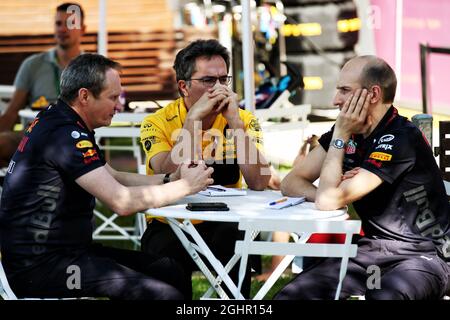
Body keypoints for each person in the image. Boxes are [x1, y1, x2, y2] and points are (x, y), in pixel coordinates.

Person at [0, 53, 215, 300]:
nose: (119, 105)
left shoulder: (62, 118)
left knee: (169, 270)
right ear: (84, 96)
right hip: (42, 269)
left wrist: (171, 178)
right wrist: (185, 186)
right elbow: (121, 202)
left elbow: (112, 176)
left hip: (65, 255)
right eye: (113, 97)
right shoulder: (65, 134)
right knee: (164, 296)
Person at [276, 55, 450, 300]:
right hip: (373, 252)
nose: (335, 100)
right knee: (294, 295)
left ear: (373, 94)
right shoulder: (349, 133)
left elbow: (327, 200)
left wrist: (333, 191)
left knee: (383, 295)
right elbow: (291, 182)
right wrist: (335, 192)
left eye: (345, 90)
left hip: (423, 256)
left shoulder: (399, 138)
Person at [139, 39, 271, 298]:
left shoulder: (244, 120)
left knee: (237, 241)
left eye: (224, 79)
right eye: (209, 81)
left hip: (226, 220)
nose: (220, 88)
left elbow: (259, 181)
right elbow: (165, 170)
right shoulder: (155, 122)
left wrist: (234, 121)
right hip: (172, 222)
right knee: (164, 262)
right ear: (183, 86)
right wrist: (193, 119)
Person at [0, 2, 85, 132]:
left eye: (70, 23)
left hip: (78, 138)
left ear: (83, 29)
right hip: (34, 137)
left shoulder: (94, 68)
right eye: (58, 24)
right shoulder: (32, 65)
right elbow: (12, 113)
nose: (62, 29)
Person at [256, 135, 319, 282]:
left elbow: (295, 171)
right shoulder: (313, 170)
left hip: (315, 220)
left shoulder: (313, 172)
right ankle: (274, 269)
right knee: (282, 221)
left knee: (282, 227)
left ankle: (274, 271)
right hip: (308, 215)